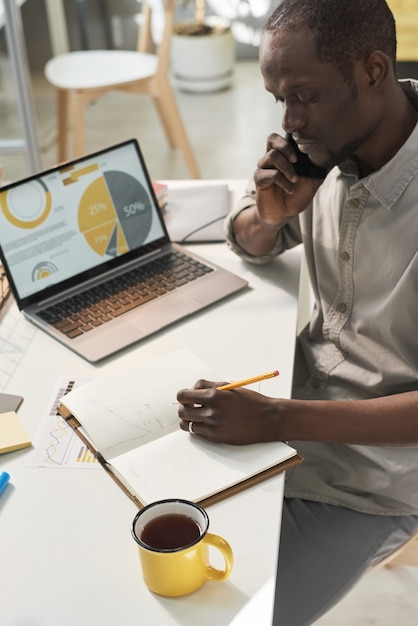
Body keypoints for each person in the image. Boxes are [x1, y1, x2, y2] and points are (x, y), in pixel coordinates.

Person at [177, 0, 418, 623]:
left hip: (372, 480)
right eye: (277, 98)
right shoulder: (333, 147)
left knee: (231, 617)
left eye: (304, 95)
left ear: (372, 71)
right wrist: (270, 215)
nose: (290, 120)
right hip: (282, 408)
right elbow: (252, 238)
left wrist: (277, 416)